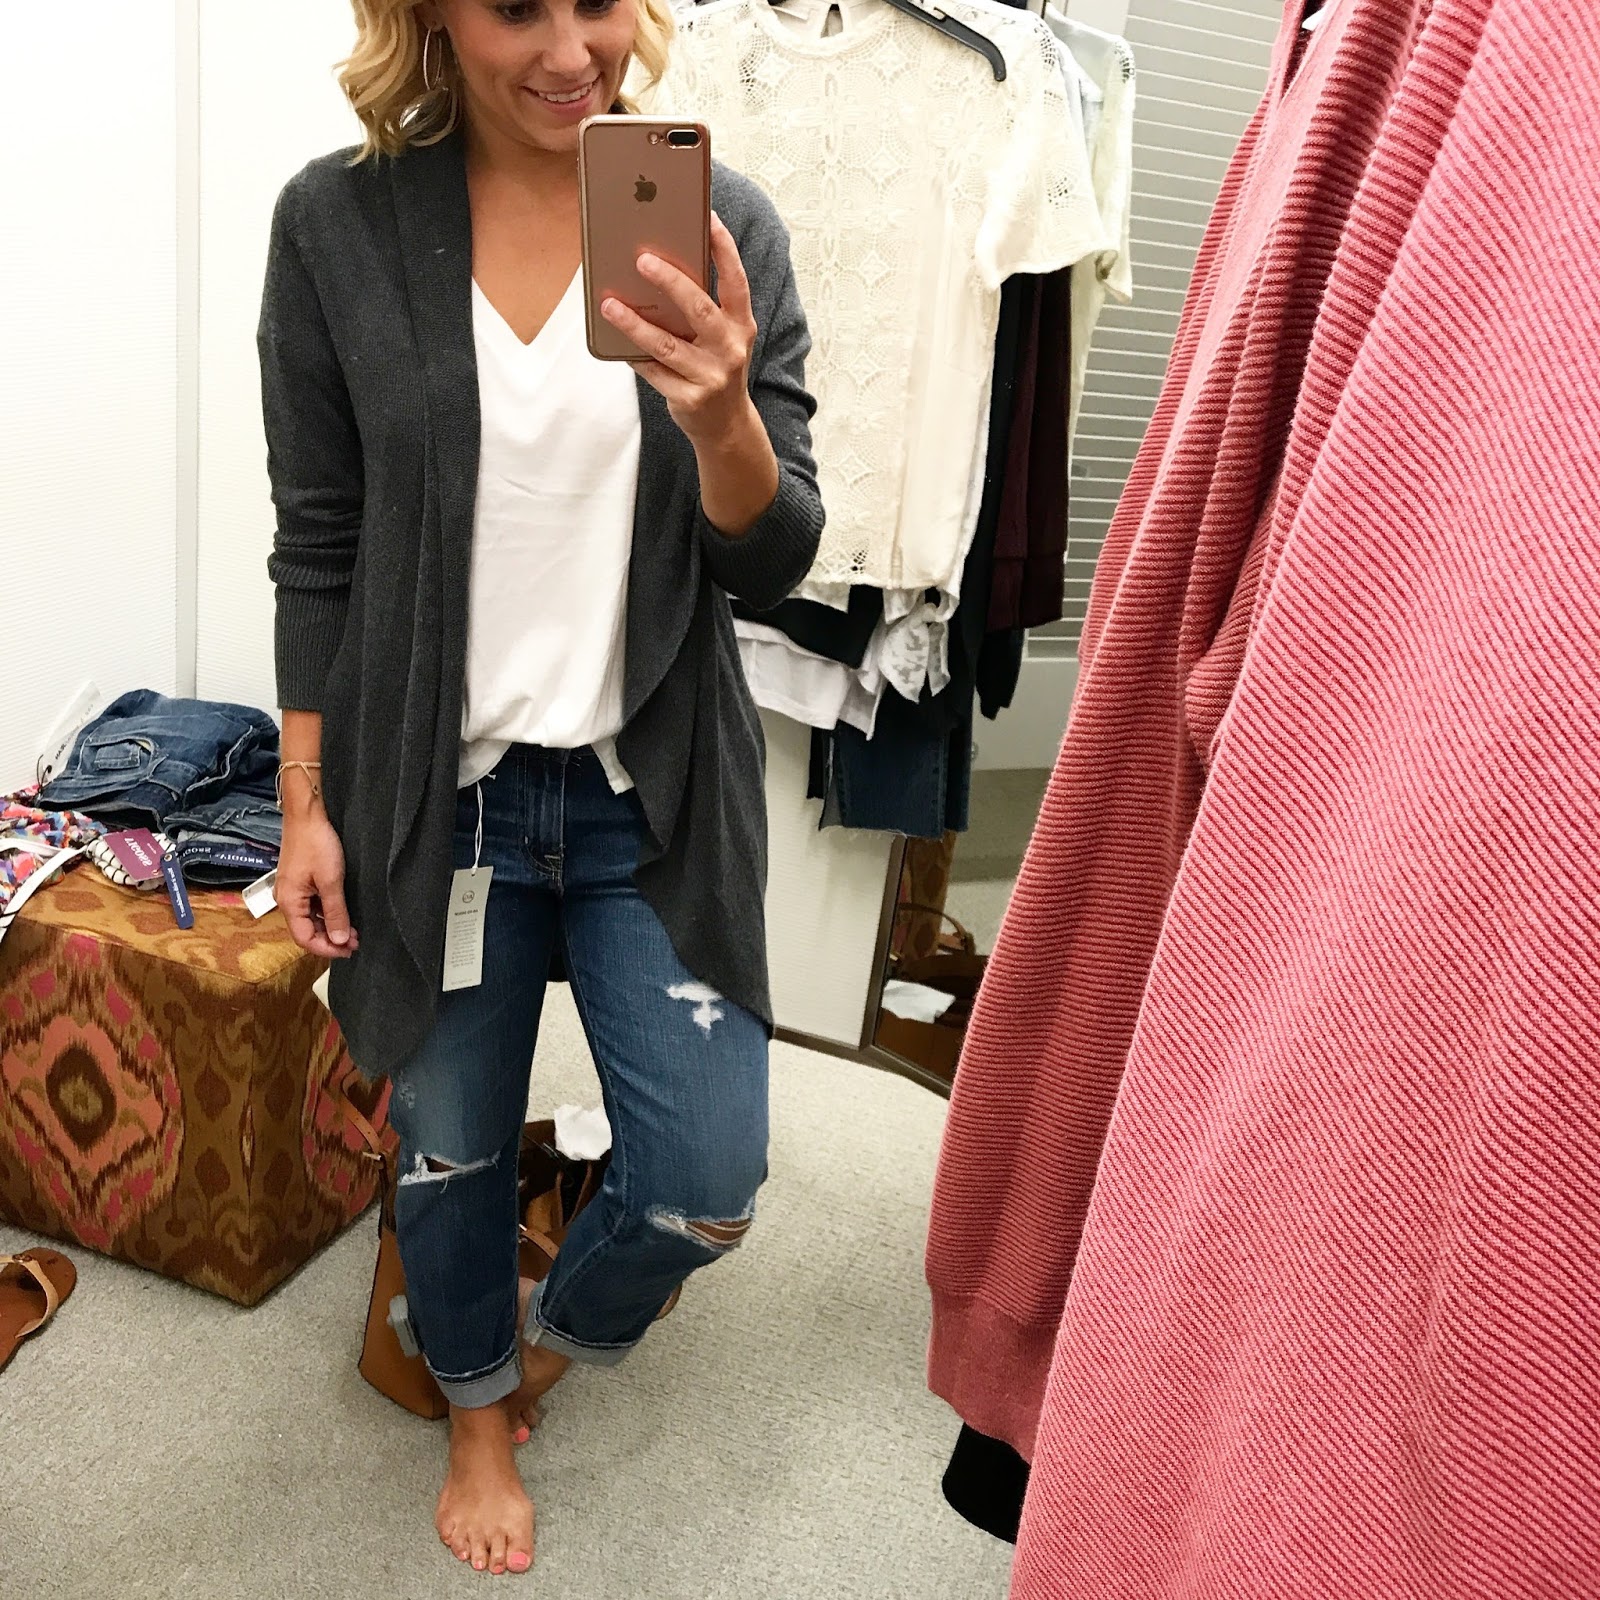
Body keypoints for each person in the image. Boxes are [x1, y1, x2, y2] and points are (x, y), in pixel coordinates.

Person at [258, 0, 822, 1577]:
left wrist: (722, 418)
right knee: (446, 1148)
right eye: (517, 7)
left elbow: (775, 560)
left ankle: (548, 1332)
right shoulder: (336, 225)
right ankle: (474, 1405)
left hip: (652, 795)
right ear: (429, 16)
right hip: (440, 801)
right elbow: (320, 543)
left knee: (705, 1183)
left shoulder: (718, 226)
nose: (574, 49)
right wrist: (305, 800)